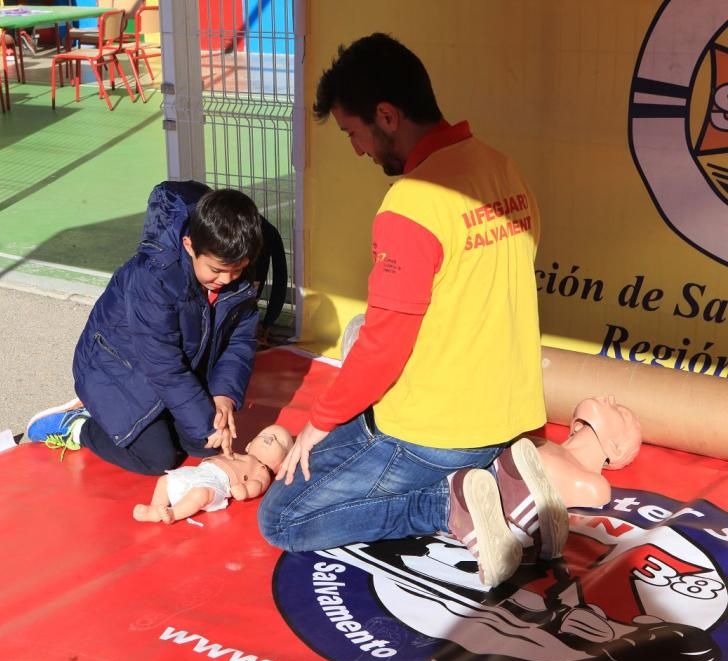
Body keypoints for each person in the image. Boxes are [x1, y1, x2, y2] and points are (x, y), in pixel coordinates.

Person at [257, 33, 566, 587]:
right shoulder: (503, 170)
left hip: (432, 434)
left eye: (355, 132)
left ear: (387, 115)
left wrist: (317, 423)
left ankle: (449, 504)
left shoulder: (412, 204)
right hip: (505, 416)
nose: (358, 149)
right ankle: (501, 475)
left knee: (283, 516)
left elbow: (384, 343)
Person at [26, 181, 264, 476]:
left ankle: (147, 419)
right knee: (157, 458)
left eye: (237, 270)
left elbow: (239, 342)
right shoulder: (153, 278)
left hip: (176, 368)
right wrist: (206, 422)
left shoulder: (235, 271)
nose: (227, 279)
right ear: (190, 246)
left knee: (204, 443)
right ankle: (78, 425)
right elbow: (163, 365)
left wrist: (224, 396)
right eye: (216, 270)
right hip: (117, 370)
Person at [132, 424, 293, 524]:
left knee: (201, 494)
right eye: (263, 435)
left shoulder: (261, 470)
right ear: (249, 444)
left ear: (280, 464)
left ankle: (173, 513)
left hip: (219, 484)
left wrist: (245, 490)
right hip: (201, 471)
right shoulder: (239, 454)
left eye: (278, 441)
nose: (270, 437)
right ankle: (155, 509)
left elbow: (258, 484)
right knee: (166, 480)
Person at [534, 395, 642, 509]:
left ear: (615, 450)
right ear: (578, 426)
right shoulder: (540, 441)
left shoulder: (595, 487)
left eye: (622, 414)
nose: (610, 398)